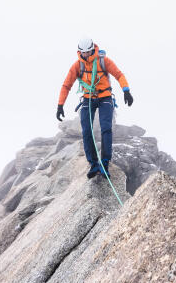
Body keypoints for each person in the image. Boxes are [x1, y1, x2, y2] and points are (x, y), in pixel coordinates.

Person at [56, 37, 134, 178]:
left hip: (105, 97)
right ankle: (93, 164)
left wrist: (126, 91)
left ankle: (104, 163)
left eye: (88, 52)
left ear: (93, 49)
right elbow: (66, 85)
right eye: (83, 52)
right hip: (88, 98)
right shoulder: (77, 65)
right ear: (80, 52)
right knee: (87, 131)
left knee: (106, 128)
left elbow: (119, 75)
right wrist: (60, 105)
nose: (86, 54)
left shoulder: (103, 61)